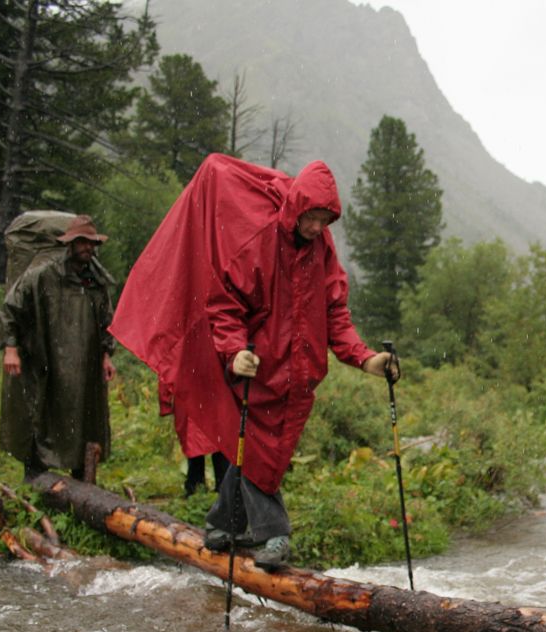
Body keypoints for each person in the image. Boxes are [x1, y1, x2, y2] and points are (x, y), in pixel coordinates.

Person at [111, 155, 396, 569]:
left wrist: (366, 358)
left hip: (300, 373)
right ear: (297, 207)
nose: (317, 227)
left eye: (324, 220)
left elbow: (335, 311)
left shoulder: (322, 248)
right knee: (262, 448)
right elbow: (225, 304)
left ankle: (222, 523)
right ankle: (273, 534)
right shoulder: (260, 241)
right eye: (312, 217)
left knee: (263, 450)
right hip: (260, 368)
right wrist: (234, 351)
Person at [0, 214, 115, 480]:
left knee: (84, 416)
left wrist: (107, 355)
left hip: (84, 363)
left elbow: (107, 321)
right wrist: (11, 348)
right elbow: (10, 309)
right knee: (42, 411)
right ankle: (36, 476)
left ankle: (82, 479)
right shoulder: (41, 276)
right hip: (46, 358)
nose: (88, 248)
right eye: (82, 242)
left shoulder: (96, 281)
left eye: (92, 243)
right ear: (69, 243)